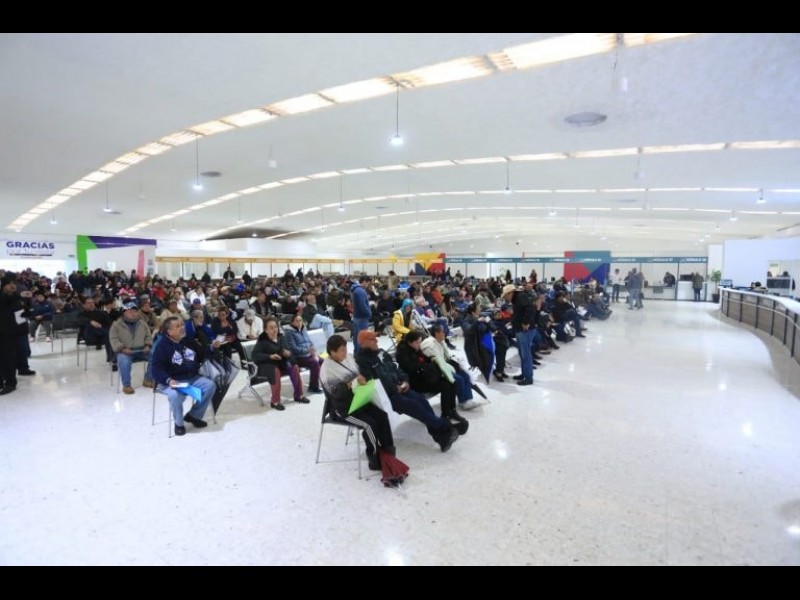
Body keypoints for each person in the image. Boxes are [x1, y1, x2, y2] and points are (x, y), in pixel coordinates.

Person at [356, 330, 458, 452]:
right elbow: (373, 382)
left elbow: (397, 368)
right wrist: (395, 388)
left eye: (376, 338)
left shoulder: (382, 353)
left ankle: (442, 438)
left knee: (423, 403)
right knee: (416, 407)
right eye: (372, 339)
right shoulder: (361, 361)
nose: (376, 341)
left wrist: (405, 381)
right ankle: (446, 426)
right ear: (363, 343)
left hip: (401, 387)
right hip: (387, 396)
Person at [320, 334, 395, 471]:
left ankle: (388, 451)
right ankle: (375, 459)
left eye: (345, 349)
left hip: (360, 400)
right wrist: (350, 383)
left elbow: (358, 374)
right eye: (341, 350)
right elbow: (336, 393)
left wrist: (362, 377)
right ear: (332, 352)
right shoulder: (327, 369)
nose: (345, 353)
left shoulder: (348, 358)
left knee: (382, 416)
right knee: (370, 425)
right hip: (345, 409)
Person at [151, 317, 216, 437]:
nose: (182, 327)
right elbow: (156, 369)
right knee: (175, 396)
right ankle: (179, 424)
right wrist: (168, 380)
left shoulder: (188, 341)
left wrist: (212, 348)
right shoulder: (162, 346)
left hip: (192, 377)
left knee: (210, 385)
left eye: (182, 324)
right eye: (178, 326)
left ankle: (194, 415)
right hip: (172, 381)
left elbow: (202, 354)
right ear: (169, 332)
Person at [396, 331, 468, 435]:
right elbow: (410, 368)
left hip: (425, 377)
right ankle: (446, 414)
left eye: (420, 341)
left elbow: (423, 359)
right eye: (417, 342)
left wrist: (431, 359)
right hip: (416, 382)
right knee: (445, 385)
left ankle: (451, 410)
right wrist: (426, 366)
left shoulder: (415, 348)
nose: (419, 344)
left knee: (451, 382)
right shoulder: (402, 353)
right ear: (410, 342)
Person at [252, 317, 309, 411]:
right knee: (275, 371)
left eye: (275, 327)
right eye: (271, 328)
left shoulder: (281, 338)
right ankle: (275, 401)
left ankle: (299, 395)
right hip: (267, 365)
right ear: (266, 330)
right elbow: (255, 356)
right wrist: (270, 356)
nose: (274, 330)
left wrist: (288, 353)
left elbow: (289, 350)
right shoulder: (262, 341)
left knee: (294, 367)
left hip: (281, 363)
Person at [110, 302, 153, 395]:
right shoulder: (116, 325)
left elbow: (148, 336)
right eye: (130, 311)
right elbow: (113, 339)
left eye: (134, 311)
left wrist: (147, 345)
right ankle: (126, 385)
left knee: (156, 357)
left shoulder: (142, 323)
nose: (133, 313)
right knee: (124, 361)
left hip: (141, 350)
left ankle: (148, 379)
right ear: (124, 313)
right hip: (124, 351)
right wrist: (122, 348)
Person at [0, 276, 33, 395]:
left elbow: (24, 310)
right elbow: (6, 300)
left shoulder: (16, 297)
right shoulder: (4, 296)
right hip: (4, 331)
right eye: (9, 284)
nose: (12, 286)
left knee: (10, 357)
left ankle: (10, 382)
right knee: (4, 358)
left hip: (15, 331)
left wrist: (28, 305)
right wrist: (20, 295)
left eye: (13, 283)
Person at [503, 284, 535, 386]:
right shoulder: (517, 299)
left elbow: (530, 309)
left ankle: (528, 378)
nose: (505, 298)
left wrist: (525, 322)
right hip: (520, 330)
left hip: (524, 330)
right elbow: (520, 313)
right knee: (522, 354)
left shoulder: (520, 297)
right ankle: (524, 374)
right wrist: (512, 321)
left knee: (526, 355)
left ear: (510, 293)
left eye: (505, 296)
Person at [285, 313, 324, 394]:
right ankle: (313, 386)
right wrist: (307, 350)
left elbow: (309, 341)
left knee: (322, 361)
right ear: (292, 322)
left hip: (309, 354)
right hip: (298, 357)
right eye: (297, 321)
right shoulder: (289, 333)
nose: (299, 323)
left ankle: (322, 381)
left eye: (300, 321)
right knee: (314, 363)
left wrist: (312, 349)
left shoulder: (303, 329)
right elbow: (294, 348)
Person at [351, 276, 372, 353]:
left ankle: (357, 352)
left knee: (357, 336)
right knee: (362, 337)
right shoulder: (360, 291)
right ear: (364, 282)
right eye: (367, 283)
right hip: (362, 317)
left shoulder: (355, 289)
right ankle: (360, 353)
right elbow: (362, 305)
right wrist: (369, 313)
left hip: (357, 316)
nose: (367, 285)